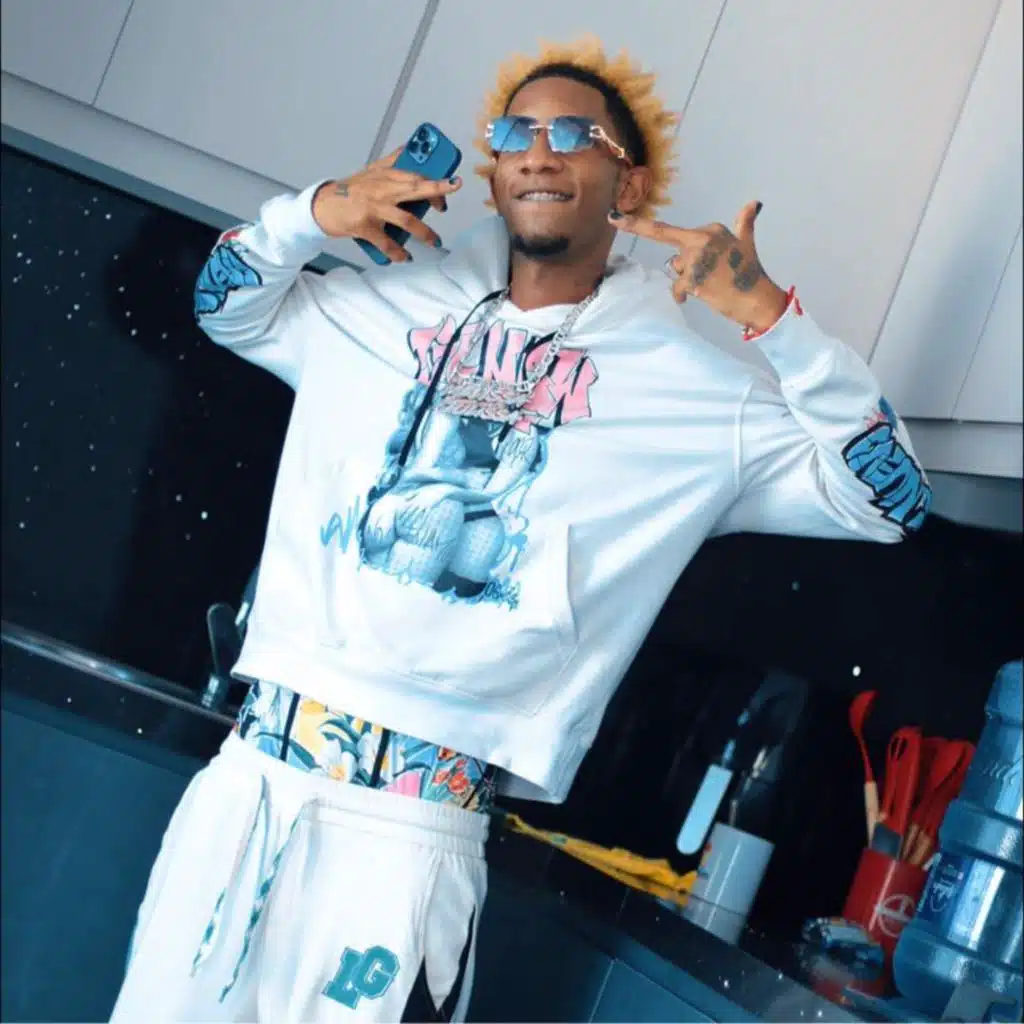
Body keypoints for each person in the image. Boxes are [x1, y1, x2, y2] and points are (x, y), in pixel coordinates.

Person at [113, 37, 931, 1023]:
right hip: (246, 789)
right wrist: (315, 212)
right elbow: (223, 306)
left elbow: (888, 501)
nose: (539, 152)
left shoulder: (693, 394)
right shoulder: (372, 307)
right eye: (515, 133)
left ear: (629, 184)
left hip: (411, 838)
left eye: (574, 134)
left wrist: (770, 317)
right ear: (494, 170)